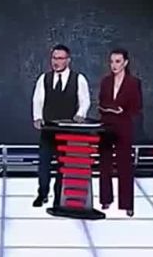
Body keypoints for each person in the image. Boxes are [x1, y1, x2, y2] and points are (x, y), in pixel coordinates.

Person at [31, 44, 91, 207]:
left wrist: (80, 114)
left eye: (60, 58)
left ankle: (59, 197)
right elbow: (38, 100)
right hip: (48, 130)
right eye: (54, 58)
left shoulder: (78, 79)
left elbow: (85, 101)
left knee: (63, 166)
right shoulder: (44, 78)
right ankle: (42, 194)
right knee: (44, 164)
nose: (56, 62)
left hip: (68, 131)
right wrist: (37, 117)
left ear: (68, 60)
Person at [98, 48, 142, 217]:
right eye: (112, 62)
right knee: (105, 164)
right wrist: (107, 109)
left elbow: (137, 107)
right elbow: (101, 103)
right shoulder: (105, 81)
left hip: (123, 126)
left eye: (117, 61)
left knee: (125, 166)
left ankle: (127, 204)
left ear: (125, 63)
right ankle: (105, 199)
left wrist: (123, 111)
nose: (114, 65)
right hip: (106, 126)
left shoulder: (133, 82)